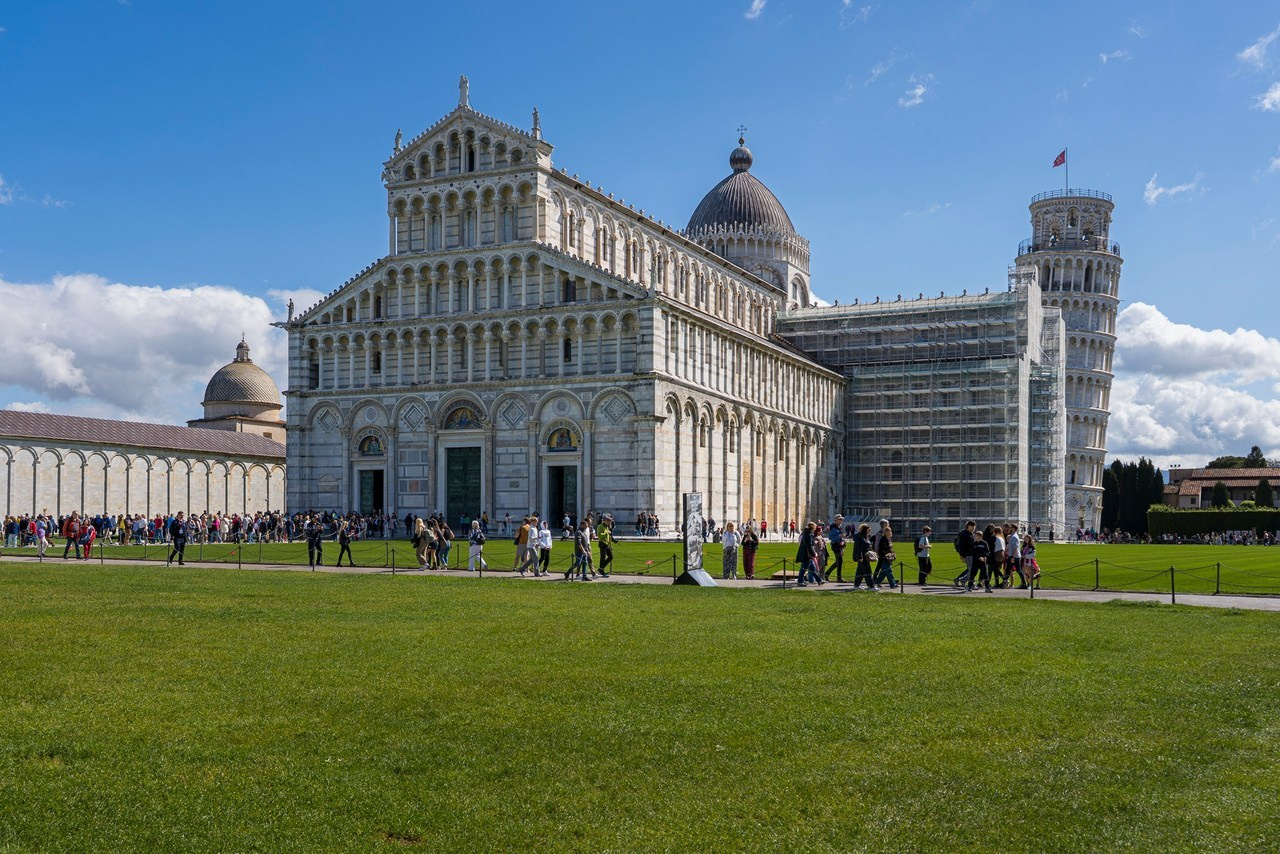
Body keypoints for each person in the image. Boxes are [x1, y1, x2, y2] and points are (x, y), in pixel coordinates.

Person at [795, 522, 822, 586]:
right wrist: (814, 554)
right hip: (807, 555)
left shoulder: (807, 534)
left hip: (807, 554)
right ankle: (800, 581)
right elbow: (809, 546)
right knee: (804, 568)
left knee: (813, 568)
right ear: (813, 527)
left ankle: (819, 580)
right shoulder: (809, 535)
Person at [873, 522, 898, 590]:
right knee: (889, 571)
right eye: (889, 531)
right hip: (884, 557)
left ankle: (876, 583)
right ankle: (892, 584)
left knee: (883, 572)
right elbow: (883, 549)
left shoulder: (887, 539)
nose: (890, 532)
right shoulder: (883, 539)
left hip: (886, 557)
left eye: (890, 531)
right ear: (886, 532)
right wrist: (889, 548)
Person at [953, 520, 977, 588]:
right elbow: (961, 545)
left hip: (971, 554)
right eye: (972, 526)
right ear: (968, 526)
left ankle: (964, 580)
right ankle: (968, 582)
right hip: (967, 554)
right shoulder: (964, 534)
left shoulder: (971, 534)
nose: (973, 528)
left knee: (971, 569)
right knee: (971, 570)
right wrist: (962, 556)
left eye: (974, 526)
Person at [852, 523, 876, 590]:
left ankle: (856, 585)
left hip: (865, 556)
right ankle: (871, 586)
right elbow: (858, 547)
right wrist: (860, 556)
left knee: (860, 571)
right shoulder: (859, 537)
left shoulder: (864, 537)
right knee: (867, 571)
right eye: (868, 530)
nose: (869, 532)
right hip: (862, 557)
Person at [827, 515, 846, 582]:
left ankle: (827, 574)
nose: (841, 521)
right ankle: (839, 578)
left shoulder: (839, 527)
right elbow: (830, 537)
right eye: (840, 519)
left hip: (839, 546)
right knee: (839, 561)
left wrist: (842, 541)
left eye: (841, 519)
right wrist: (839, 536)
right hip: (835, 545)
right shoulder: (833, 527)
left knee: (838, 561)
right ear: (836, 520)